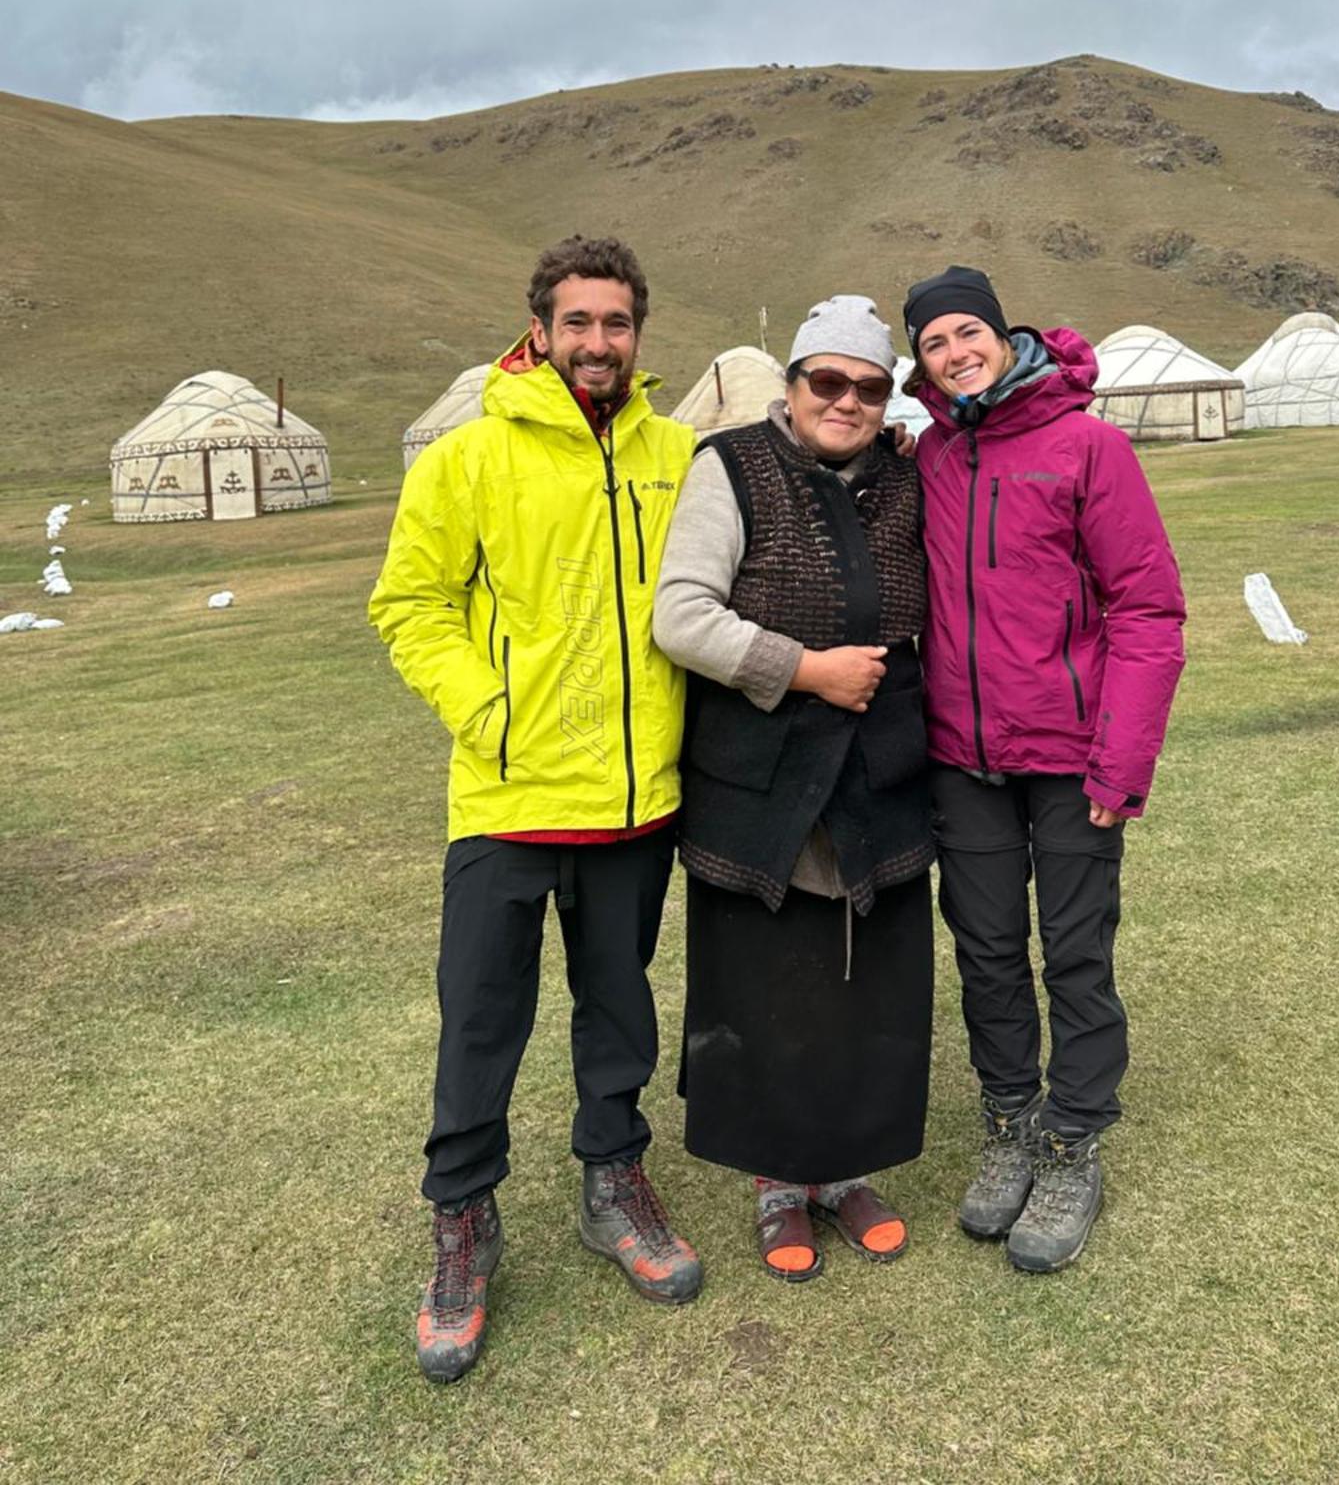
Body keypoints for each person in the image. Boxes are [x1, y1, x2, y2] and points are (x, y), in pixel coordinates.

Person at [369, 235, 702, 1385]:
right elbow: (409, 603)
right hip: (507, 796)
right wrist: (491, 709)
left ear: (637, 334)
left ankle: (614, 1185)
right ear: (540, 327)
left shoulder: (676, 451)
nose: (598, 343)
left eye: (617, 323)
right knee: (479, 1019)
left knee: (619, 1010)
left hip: (635, 798)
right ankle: (462, 1220)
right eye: (579, 322)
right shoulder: (467, 458)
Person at [903, 264, 1185, 1273]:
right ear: (922, 362)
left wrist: (1122, 763)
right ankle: (1011, 1117)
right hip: (961, 756)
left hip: (1071, 756)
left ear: (1003, 332)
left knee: (1073, 948)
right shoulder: (930, 455)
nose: (955, 351)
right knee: (984, 948)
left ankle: (1073, 1139)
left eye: (966, 331)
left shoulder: (1088, 446)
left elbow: (1149, 611)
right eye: (934, 342)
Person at [653, 296, 933, 1283]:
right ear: (793, 383)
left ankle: (847, 1171)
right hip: (763, 774)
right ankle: (781, 1181)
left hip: (884, 769)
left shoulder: (907, 474)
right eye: (828, 381)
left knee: (867, 977)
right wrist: (806, 668)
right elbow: (681, 616)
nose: (847, 401)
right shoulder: (727, 467)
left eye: (869, 385)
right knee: (772, 980)